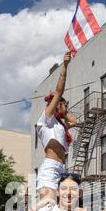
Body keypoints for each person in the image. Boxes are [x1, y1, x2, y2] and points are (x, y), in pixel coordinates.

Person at [36, 52, 77, 198]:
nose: (67, 108)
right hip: (50, 168)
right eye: (66, 105)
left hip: (62, 169)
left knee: (63, 209)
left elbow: (74, 122)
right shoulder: (47, 120)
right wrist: (65, 66)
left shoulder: (60, 126)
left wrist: (64, 112)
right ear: (58, 104)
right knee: (47, 206)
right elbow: (59, 92)